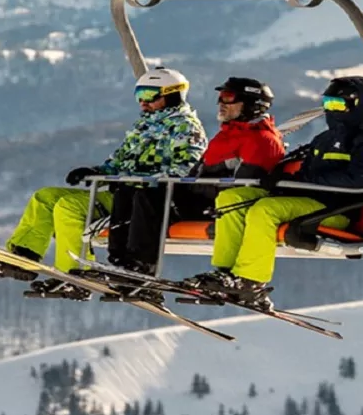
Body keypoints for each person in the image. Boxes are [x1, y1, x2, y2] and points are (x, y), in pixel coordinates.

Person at [0, 66, 204, 293]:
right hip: (121, 192)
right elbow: (119, 162)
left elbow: (185, 170)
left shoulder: (185, 128)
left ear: (171, 96)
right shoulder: (145, 126)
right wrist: (96, 170)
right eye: (139, 96)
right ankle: (23, 254)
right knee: (45, 196)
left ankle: (75, 272)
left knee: (68, 206)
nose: (143, 103)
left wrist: (136, 179)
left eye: (149, 96)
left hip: (145, 198)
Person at [187, 75, 363, 310]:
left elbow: (356, 181)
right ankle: (225, 273)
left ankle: (251, 282)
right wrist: (280, 176)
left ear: (359, 106)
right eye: (327, 103)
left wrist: (306, 180)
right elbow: (301, 165)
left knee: (265, 210)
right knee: (232, 198)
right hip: (304, 202)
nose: (331, 110)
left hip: (335, 210)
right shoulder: (324, 139)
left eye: (337, 104)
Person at [105, 76, 287, 277]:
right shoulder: (227, 135)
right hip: (200, 197)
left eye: (227, 98)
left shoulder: (262, 140)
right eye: (219, 98)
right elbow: (197, 172)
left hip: (216, 205)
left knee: (150, 197)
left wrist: (192, 188)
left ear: (253, 104)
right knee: (128, 192)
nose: (221, 104)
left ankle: (141, 266)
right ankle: (119, 259)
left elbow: (245, 186)